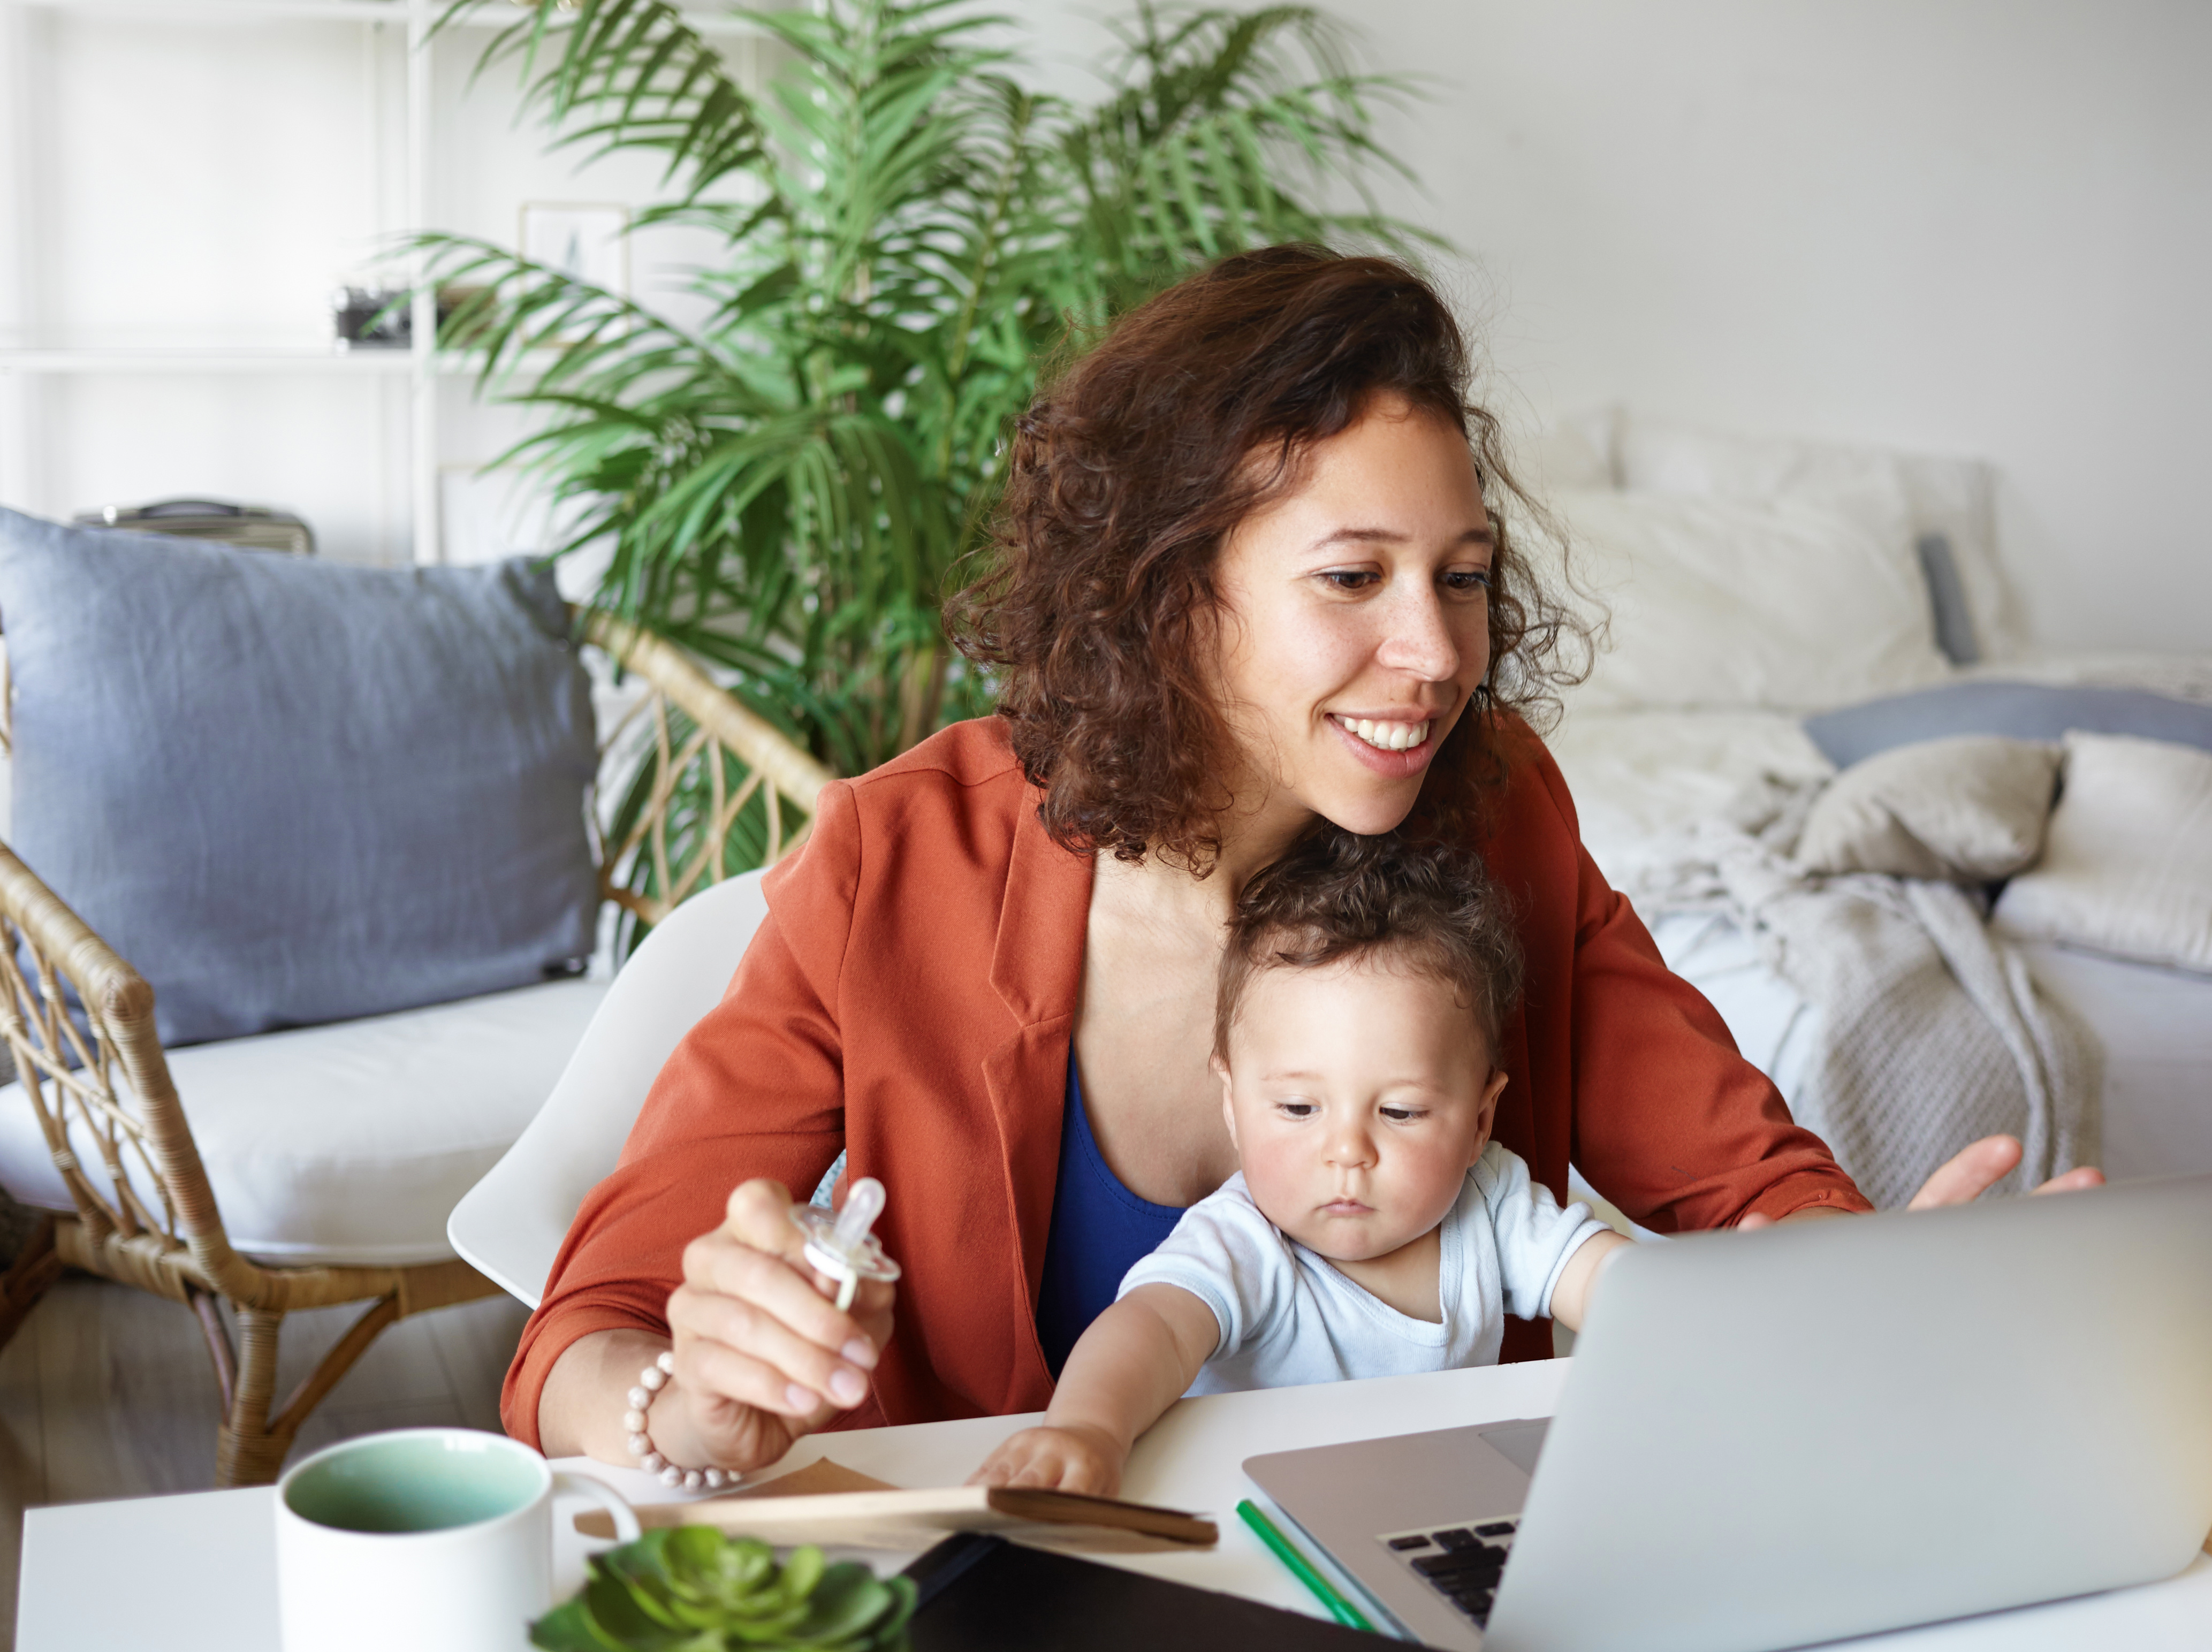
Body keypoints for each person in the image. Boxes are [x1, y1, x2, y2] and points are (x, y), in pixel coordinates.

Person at [509, 245, 2096, 1479]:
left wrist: (1878, 1286)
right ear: (1168, 585)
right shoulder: (898, 860)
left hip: (1409, 1587)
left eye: (1463, 577)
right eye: (1356, 575)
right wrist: (686, 1407)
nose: (1435, 650)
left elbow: (1740, 1186)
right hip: (1011, 1617)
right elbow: (583, 1341)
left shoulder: (1504, 820)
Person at [974, 830, 1624, 1496]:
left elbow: (1616, 1284)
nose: (1347, 1151)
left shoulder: (1490, 1204)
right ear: (1232, 1103)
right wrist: (1088, 1430)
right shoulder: (1246, 1242)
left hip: (1428, 1513)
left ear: (1481, 1119)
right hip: (1251, 1520)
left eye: (1400, 1113)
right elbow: (1154, 1329)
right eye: (1297, 1108)